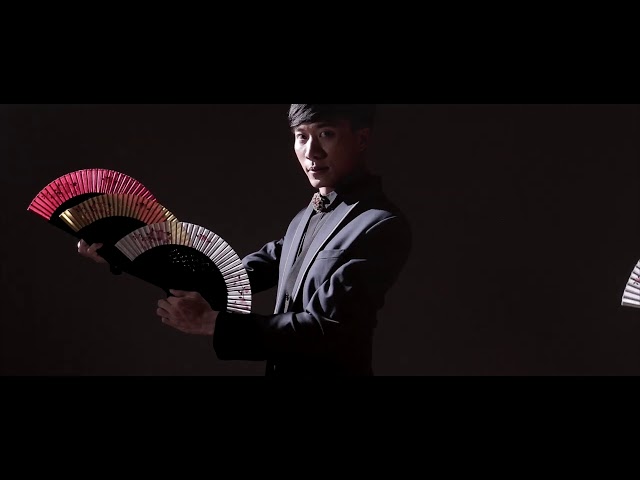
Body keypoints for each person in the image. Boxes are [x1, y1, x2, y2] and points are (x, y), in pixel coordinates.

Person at [79, 104, 412, 376]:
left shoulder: (380, 225)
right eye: (301, 136)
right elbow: (232, 276)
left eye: (326, 133)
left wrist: (212, 323)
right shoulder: (305, 218)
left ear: (362, 138)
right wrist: (125, 254)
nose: (311, 152)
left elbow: (326, 329)